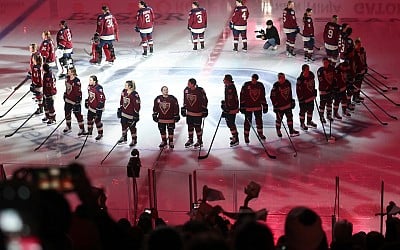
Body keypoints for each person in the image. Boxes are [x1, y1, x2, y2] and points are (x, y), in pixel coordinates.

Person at [239, 74, 268, 143]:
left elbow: (262, 96)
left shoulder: (260, 85)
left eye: (255, 79)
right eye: (253, 79)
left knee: (259, 121)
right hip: (248, 107)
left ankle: (260, 134)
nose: (253, 81)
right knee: (248, 122)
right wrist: (242, 105)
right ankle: (246, 136)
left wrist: (264, 105)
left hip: (257, 107)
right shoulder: (246, 85)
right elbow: (242, 95)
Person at [270, 73, 299, 137]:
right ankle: (278, 130)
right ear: (279, 79)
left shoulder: (287, 83)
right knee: (279, 120)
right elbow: (272, 96)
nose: (284, 79)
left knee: (290, 118)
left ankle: (291, 130)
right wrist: (275, 105)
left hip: (287, 105)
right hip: (280, 107)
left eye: (284, 77)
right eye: (282, 78)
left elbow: (290, 92)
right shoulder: (276, 86)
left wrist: (291, 101)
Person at [181, 78, 208, 148]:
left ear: (193, 84)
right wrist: (184, 107)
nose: (187, 84)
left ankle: (199, 141)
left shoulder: (200, 90)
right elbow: (185, 99)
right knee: (190, 126)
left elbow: (205, 100)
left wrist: (204, 109)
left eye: (189, 83)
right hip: (189, 113)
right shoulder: (186, 90)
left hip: (198, 113)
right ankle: (190, 140)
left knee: (197, 127)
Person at [63, 68, 86, 135]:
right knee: (67, 113)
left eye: (69, 71)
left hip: (75, 101)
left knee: (78, 115)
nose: (68, 72)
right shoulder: (67, 78)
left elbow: (78, 92)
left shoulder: (76, 81)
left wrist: (78, 100)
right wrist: (65, 94)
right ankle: (68, 126)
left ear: (73, 73)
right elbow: (67, 88)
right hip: (68, 100)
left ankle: (82, 129)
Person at [117, 80, 141, 147]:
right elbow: (121, 100)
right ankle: (124, 138)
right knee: (123, 126)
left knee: (132, 128)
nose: (125, 86)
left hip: (131, 115)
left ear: (130, 86)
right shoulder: (124, 91)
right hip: (124, 113)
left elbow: (137, 105)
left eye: (126, 85)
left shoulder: (134, 94)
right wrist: (121, 108)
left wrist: (136, 114)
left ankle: (134, 140)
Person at [296, 64, 318, 131]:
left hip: (311, 97)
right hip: (304, 99)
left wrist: (314, 92)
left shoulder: (311, 75)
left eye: (308, 69)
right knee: (303, 111)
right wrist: (301, 99)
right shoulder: (300, 80)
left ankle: (309, 121)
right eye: (307, 69)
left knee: (310, 110)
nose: (308, 70)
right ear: (303, 70)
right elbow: (298, 90)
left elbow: (313, 83)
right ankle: (302, 123)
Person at [84, 75, 106, 141]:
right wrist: (88, 101)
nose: (89, 81)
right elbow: (90, 95)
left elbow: (102, 99)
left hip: (97, 108)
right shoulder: (89, 86)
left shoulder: (99, 88)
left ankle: (100, 133)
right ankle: (89, 131)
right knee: (89, 119)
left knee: (97, 121)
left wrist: (99, 108)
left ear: (94, 81)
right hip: (91, 107)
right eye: (89, 80)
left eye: (90, 80)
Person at [221, 74, 239, 146]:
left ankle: (236, 138)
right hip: (230, 108)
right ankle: (234, 135)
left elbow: (231, 99)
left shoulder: (230, 88)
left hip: (231, 109)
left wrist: (227, 108)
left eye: (224, 79)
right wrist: (225, 103)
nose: (223, 80)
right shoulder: (228, 86)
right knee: (230, 123)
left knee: (231, 123)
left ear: (227, 80)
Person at [317, 57, 335, 123]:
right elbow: (321, 80)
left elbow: (334, 79)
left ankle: (329, 115)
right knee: (322, 104)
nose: (325, 64)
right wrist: (327, 87)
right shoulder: (320, 70)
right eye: (324, 63)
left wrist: (332, 87)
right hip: (323, 90)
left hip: (330, 89)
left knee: (329, 103)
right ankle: (321, 116)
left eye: (326, 62)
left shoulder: (332, 69)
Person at [352, 38, 367, 103]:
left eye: (359, 44)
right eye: (357, 45)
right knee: (356, 85)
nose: (359, 46)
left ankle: (357, 95)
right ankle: (355, 97)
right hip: (357, 72)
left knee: (359, 84)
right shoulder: (353, 53)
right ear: (355, 45)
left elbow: (364, 60)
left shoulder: (362, 51)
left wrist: (365, 67)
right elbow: (354, 64)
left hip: (362, 70)